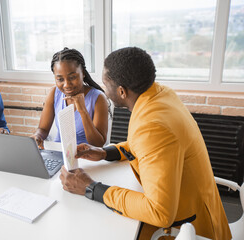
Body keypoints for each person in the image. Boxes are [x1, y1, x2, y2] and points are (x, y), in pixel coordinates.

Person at [59, 47, 231, 240]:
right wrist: (105, 152)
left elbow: (160, 213)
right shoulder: (161, 94)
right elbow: (145, 144)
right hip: (197, 204)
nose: (104, 91)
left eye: (106, 85)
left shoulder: (153, 126)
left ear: (122, 91)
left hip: (189, 228)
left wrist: (91, 188)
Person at [32, 48, 108, 149]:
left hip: (86, 157)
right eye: (60, 79)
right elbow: (43, 129)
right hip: (59, 152)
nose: (67, 85)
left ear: (83, 73)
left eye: (72, 77)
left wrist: (82, 110)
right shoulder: (54, 93)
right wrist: (38, 136)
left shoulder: (98, 98)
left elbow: (98, 144)